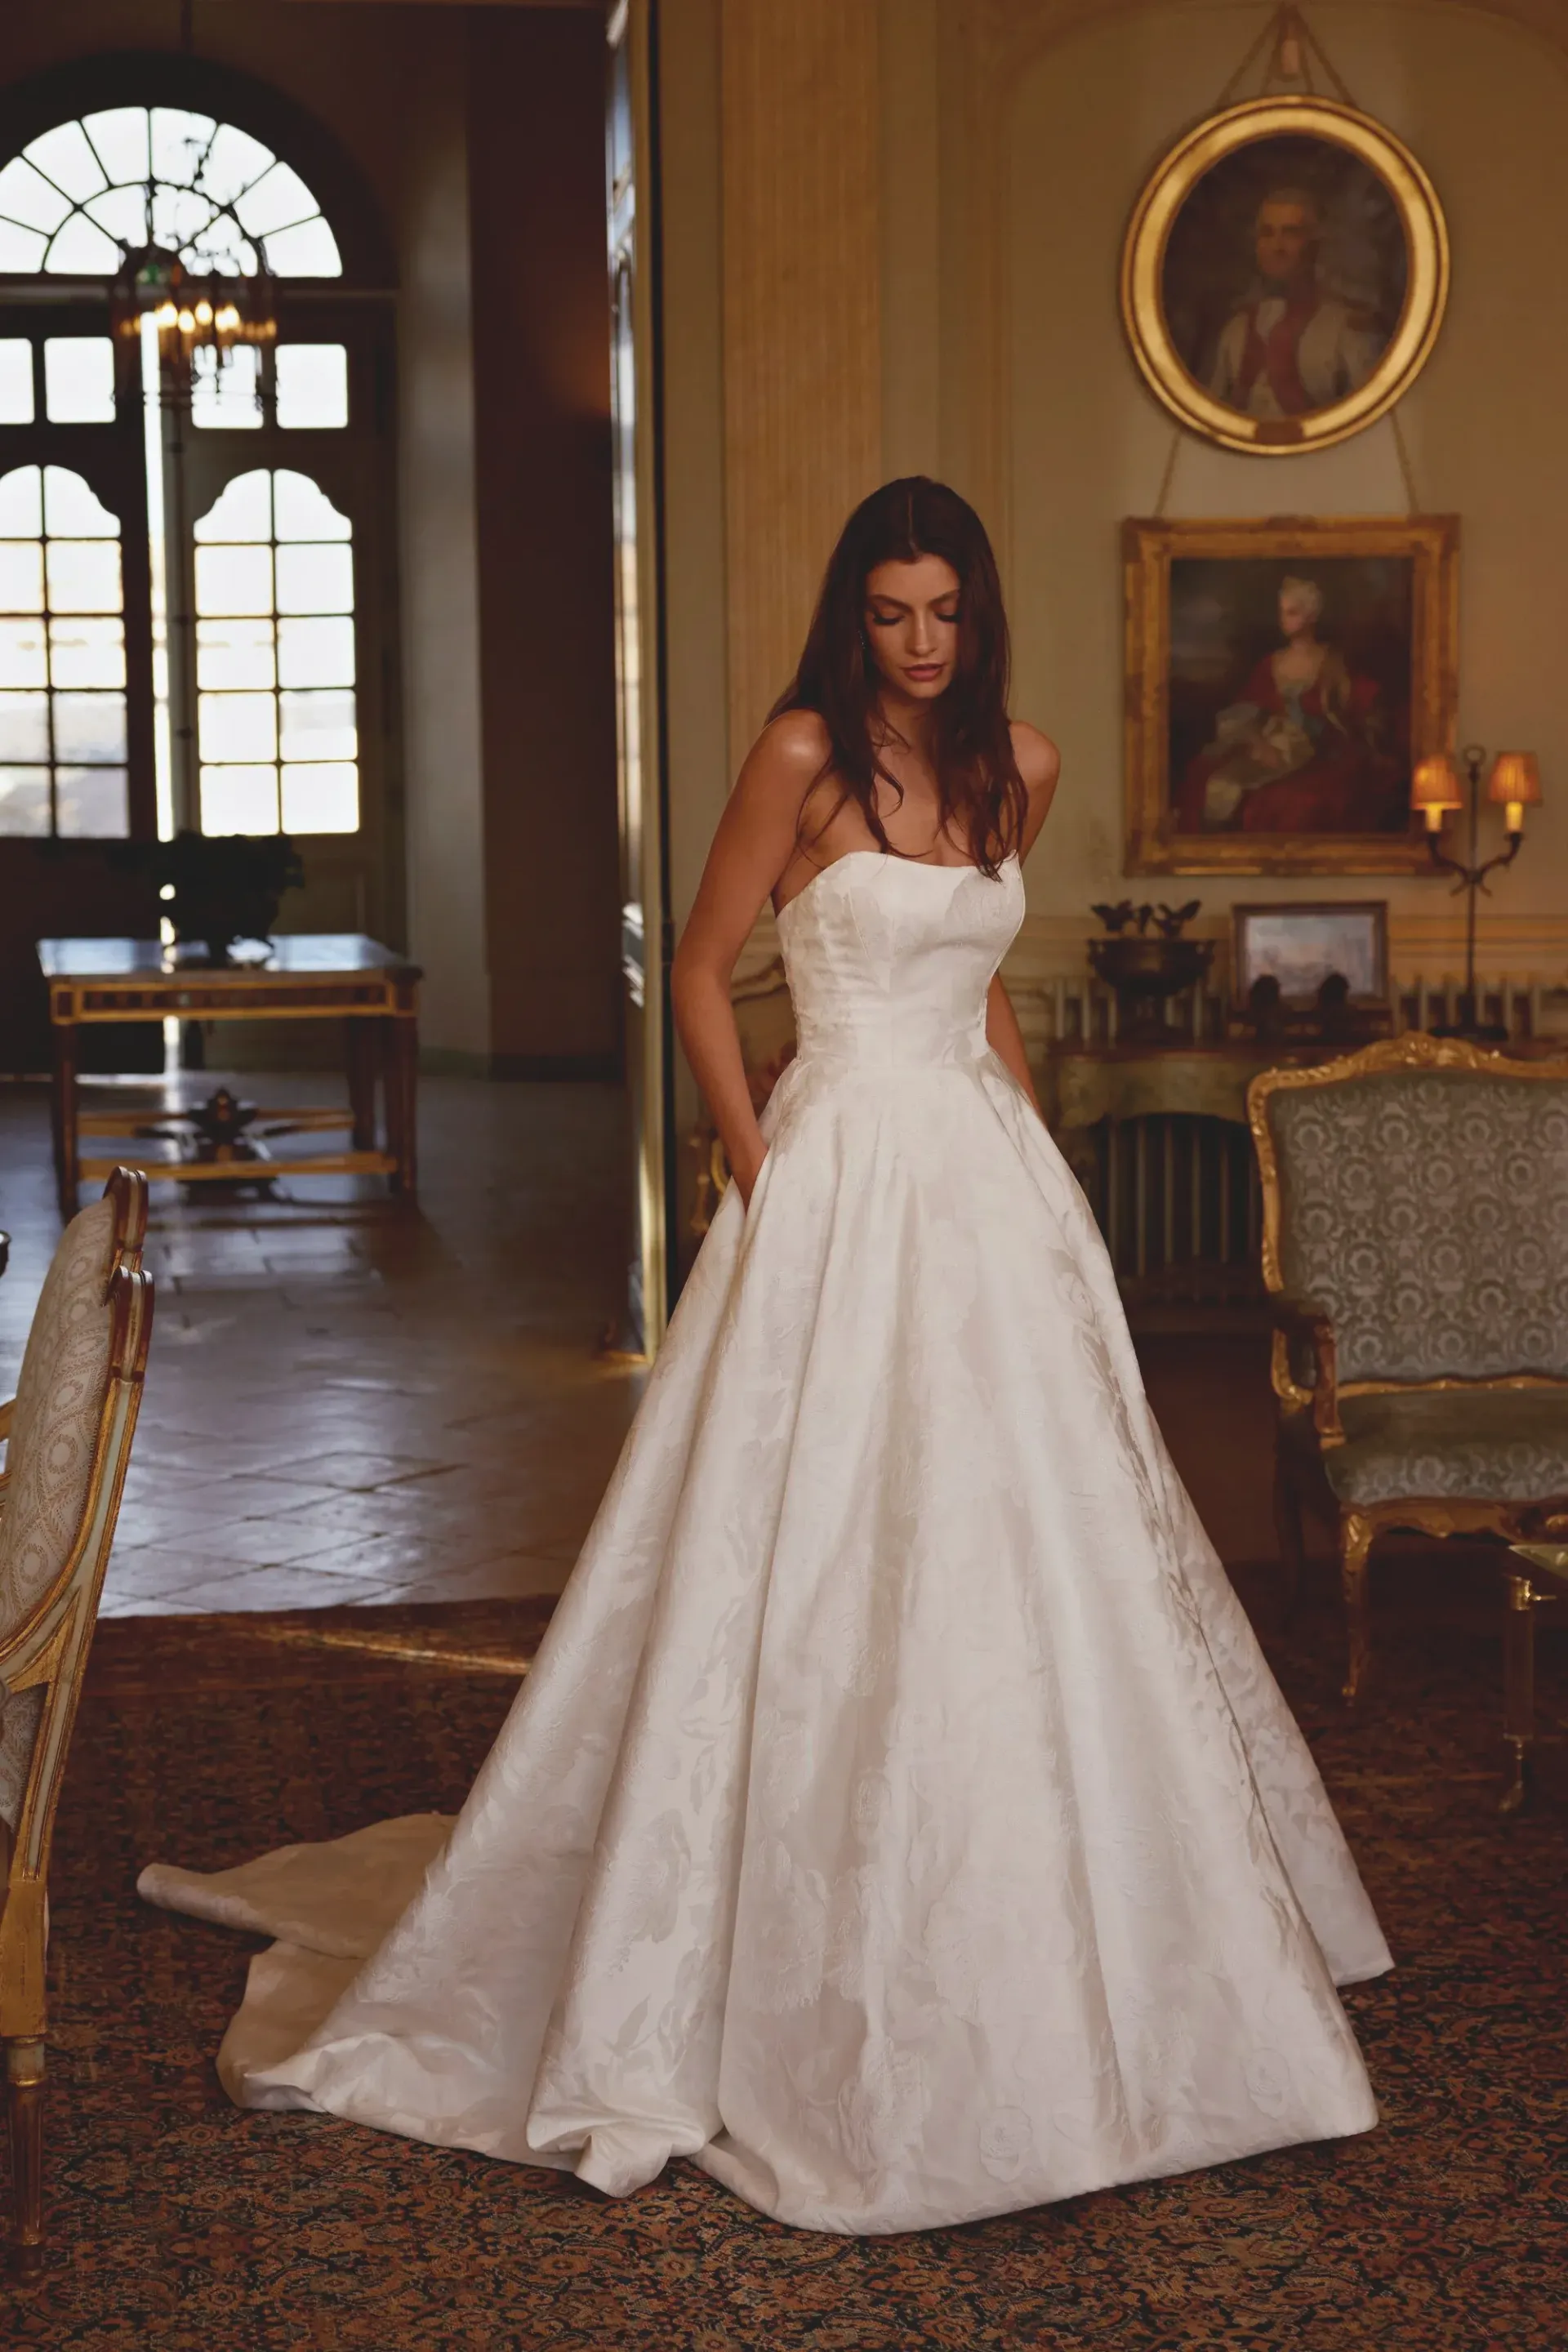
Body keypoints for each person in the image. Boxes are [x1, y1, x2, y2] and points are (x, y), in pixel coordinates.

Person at [141, 478, 1390, 2237]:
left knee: (1034, 1545)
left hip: (982, 1178)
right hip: (838, 1166)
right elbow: (709, 970)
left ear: (979, 613)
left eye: (945, 609)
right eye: (891, 612)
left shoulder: (1015, 765)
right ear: (850, 616)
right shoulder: (804, 754)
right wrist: (763, 1165)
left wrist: (1048, 1180)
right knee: (808, 1542)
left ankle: (1076, 1927)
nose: (921, 641)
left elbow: (985, 979)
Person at [1177, 574, 1405, 835]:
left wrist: (1370, 724)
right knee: (1207, 775)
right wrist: (1259, 745)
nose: (1285, 619)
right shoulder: (1271, 663)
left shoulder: (1331, 661)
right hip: (1270, 744)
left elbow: (1360, 699)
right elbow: (1245, 711)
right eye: (1282, 612)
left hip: (1319, 750)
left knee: (1297, 801)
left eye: (1293, 612)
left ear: (1312, 616)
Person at [1209, 187, 1383, 418]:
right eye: (1267, 234)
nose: (1277, 247)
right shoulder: (1236, 330)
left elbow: (1370, 422)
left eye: (1291, 234)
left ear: (1314, 244)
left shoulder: (1347, 329)